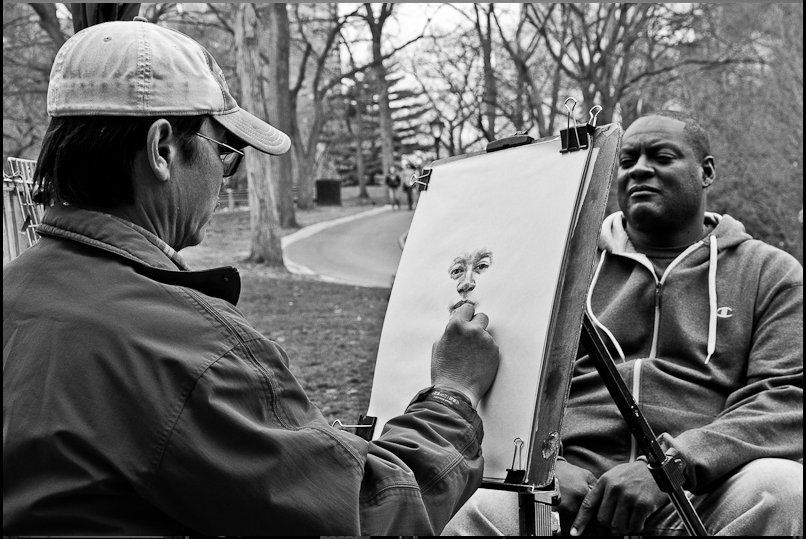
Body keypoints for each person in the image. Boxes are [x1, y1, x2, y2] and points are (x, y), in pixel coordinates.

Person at [2, 19, 501, 535]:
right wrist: (453, 395)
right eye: (225, 153)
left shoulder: (15, 295)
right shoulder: (184, 348)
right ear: (162, 149)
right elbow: (372, 514)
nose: (223, 176)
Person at [443, 111, 803, 536]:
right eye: (628, 160)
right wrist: (548, 466)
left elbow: (786, 397)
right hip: (568, 495)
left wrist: (673, 465)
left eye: (662, 156)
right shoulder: (560, 264)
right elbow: (503, 381)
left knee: (783, 489)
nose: (641, 169)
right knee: (479, 505)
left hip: (699, 495)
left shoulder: (770, 272)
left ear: (706, 172)